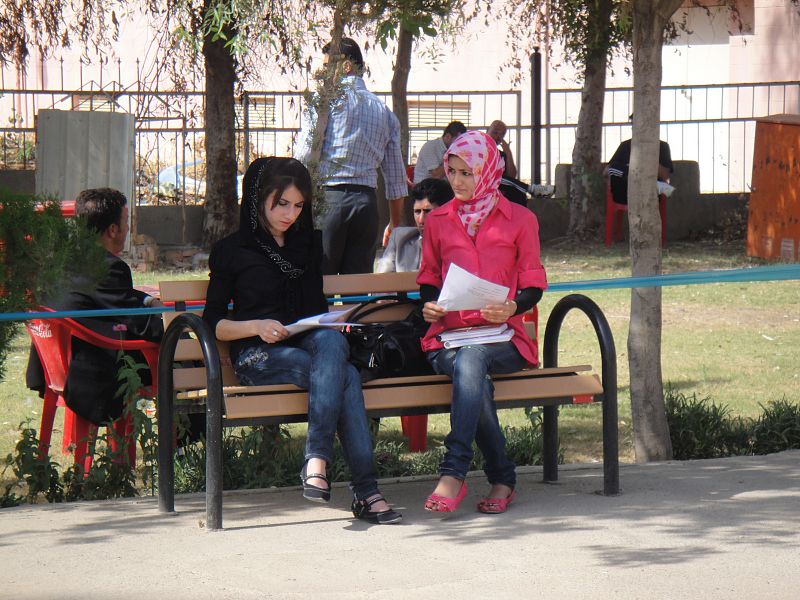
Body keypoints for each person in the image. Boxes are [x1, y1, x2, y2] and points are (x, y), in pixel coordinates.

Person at [202, 157, 401, 524]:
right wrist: (257, 326)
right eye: (281, 204)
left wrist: (328, 323)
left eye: (298, 206)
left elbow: (316, 309)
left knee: (331, 346)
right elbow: (213, 323)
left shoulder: (308, 246)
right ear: (257, 198)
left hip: (306, 346)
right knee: (347, 376)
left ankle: (317, 460)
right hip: (256, 356)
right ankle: (366, 491)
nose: (289, 214)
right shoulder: (233, 250)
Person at [417, 130, 548, 514]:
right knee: (472, 370)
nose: (456, 181)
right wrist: (429, 306)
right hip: (447, 339)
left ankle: (454, 471)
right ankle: (501, 477)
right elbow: (427, 279)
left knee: (472, 360)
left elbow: (533, 284)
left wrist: (512, 307)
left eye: (466, 173)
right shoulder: (439, 220)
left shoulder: (520, 219)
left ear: (487, 172)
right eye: (452, 171)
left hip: (504, 339)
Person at [25, 188, 164, 426]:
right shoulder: (109, 268)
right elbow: (141, 325)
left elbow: (113, 297)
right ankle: (186, 451)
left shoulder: (60, 261)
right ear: (112, 229)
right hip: (94, 375)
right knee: (184, 357)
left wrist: (147, 300)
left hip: (61, 367)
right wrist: (172, 324)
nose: (128, 228)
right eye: (126, 222)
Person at [294, 37, 407, 275]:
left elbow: (305, 154)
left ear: (346, 66)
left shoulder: (325, 101)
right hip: (367, 206)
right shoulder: (384, 112)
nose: (323, 73)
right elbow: (396, 179)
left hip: (330, 200)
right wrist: (394, 223)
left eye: (327, 66)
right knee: (356, 287)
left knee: (318, 282)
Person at [376, 178, 452, 273]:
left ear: (446, 212)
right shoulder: (399, 239)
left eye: (427, 211)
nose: (421, 220)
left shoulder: (458, 246)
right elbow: (381, 281)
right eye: (417, 211)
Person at [488, 119, 555, 205]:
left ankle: (522, 217)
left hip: (496, 188)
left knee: (519, 195)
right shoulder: (477, 147)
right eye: (495, 132)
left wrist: (508, 152)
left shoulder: (501, 155)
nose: (498, 137)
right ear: (488, 130)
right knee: (497, 178)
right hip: (479, 183)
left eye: (501, 135)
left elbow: (511, 176)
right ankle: (531, 189)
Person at [604, 124, 674, 204]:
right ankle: (655, 184)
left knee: (623, 168)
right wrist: (630, 169)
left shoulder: (662, 146)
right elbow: (606, 171)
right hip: (625, 192)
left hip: (649, 193)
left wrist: (646, 162)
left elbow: (665, 176)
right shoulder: (625, 145)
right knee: (614, 168)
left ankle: (649, 181)